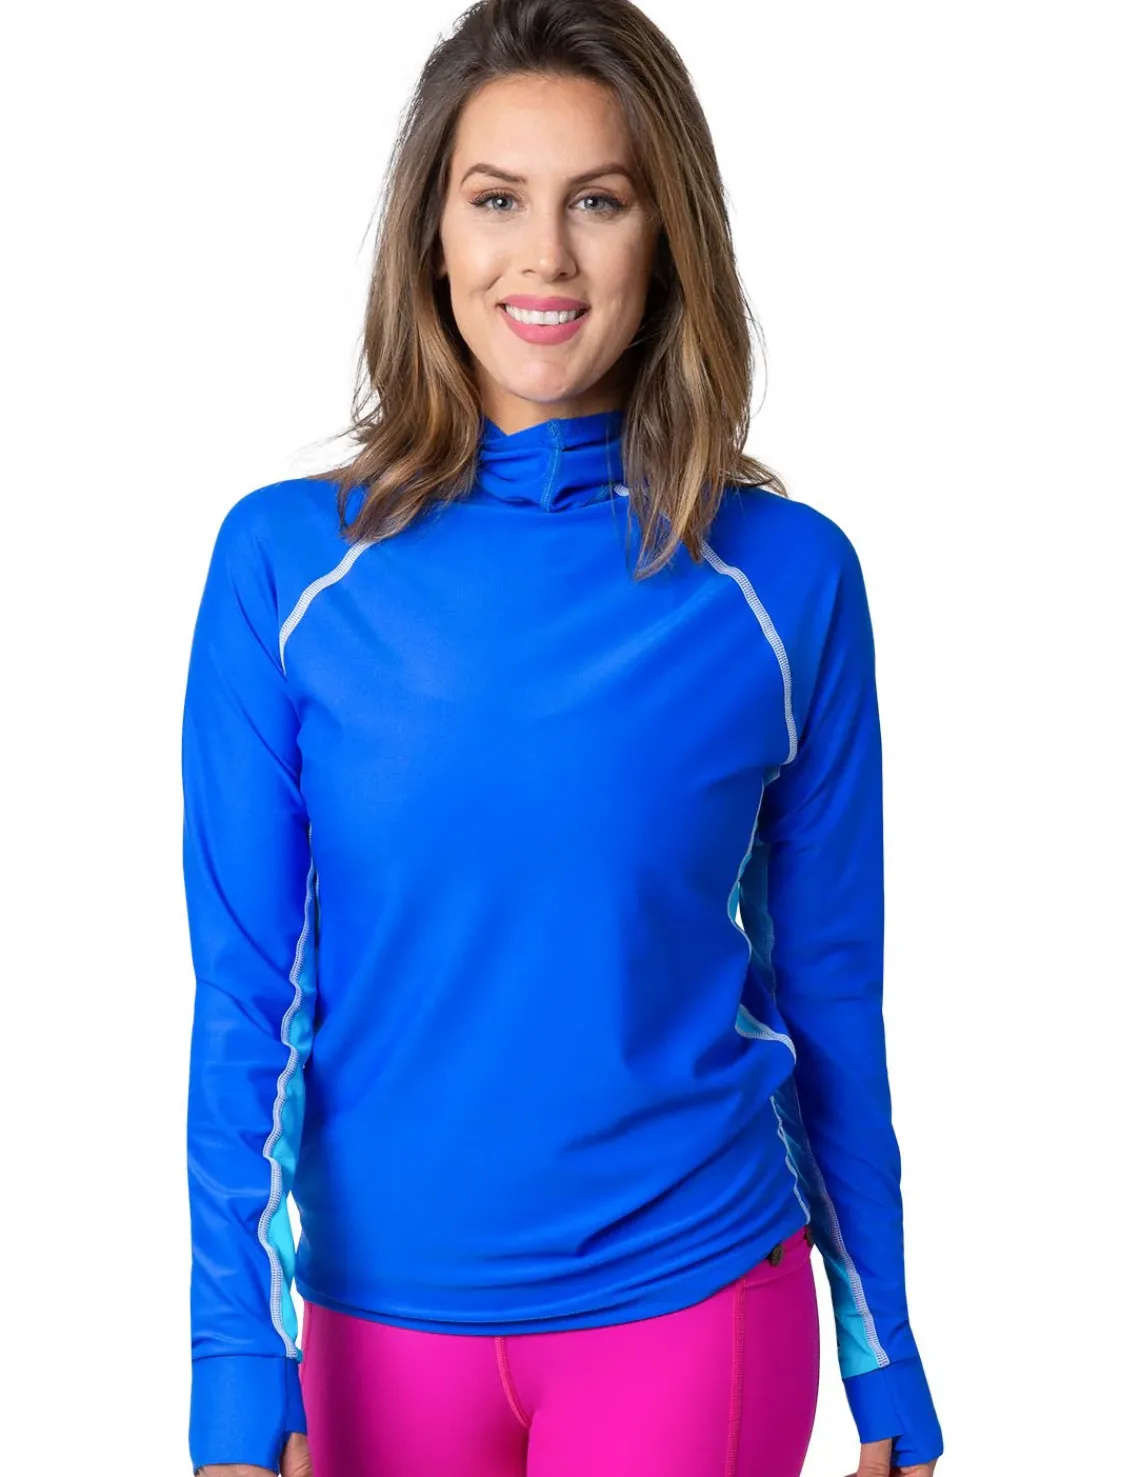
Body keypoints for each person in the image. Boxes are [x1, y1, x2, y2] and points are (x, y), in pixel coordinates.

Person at [181, 2, 944, 1474]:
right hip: (370, 1331)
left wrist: (888, 1350)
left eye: (598, 200)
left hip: (694, 1308)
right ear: (432, 238)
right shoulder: (287, 572)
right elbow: (246, 1004)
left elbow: (830, 994)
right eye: (496, 200)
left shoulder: (783, 581)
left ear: (666, 240)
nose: (544, 256)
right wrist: (234, 1363)